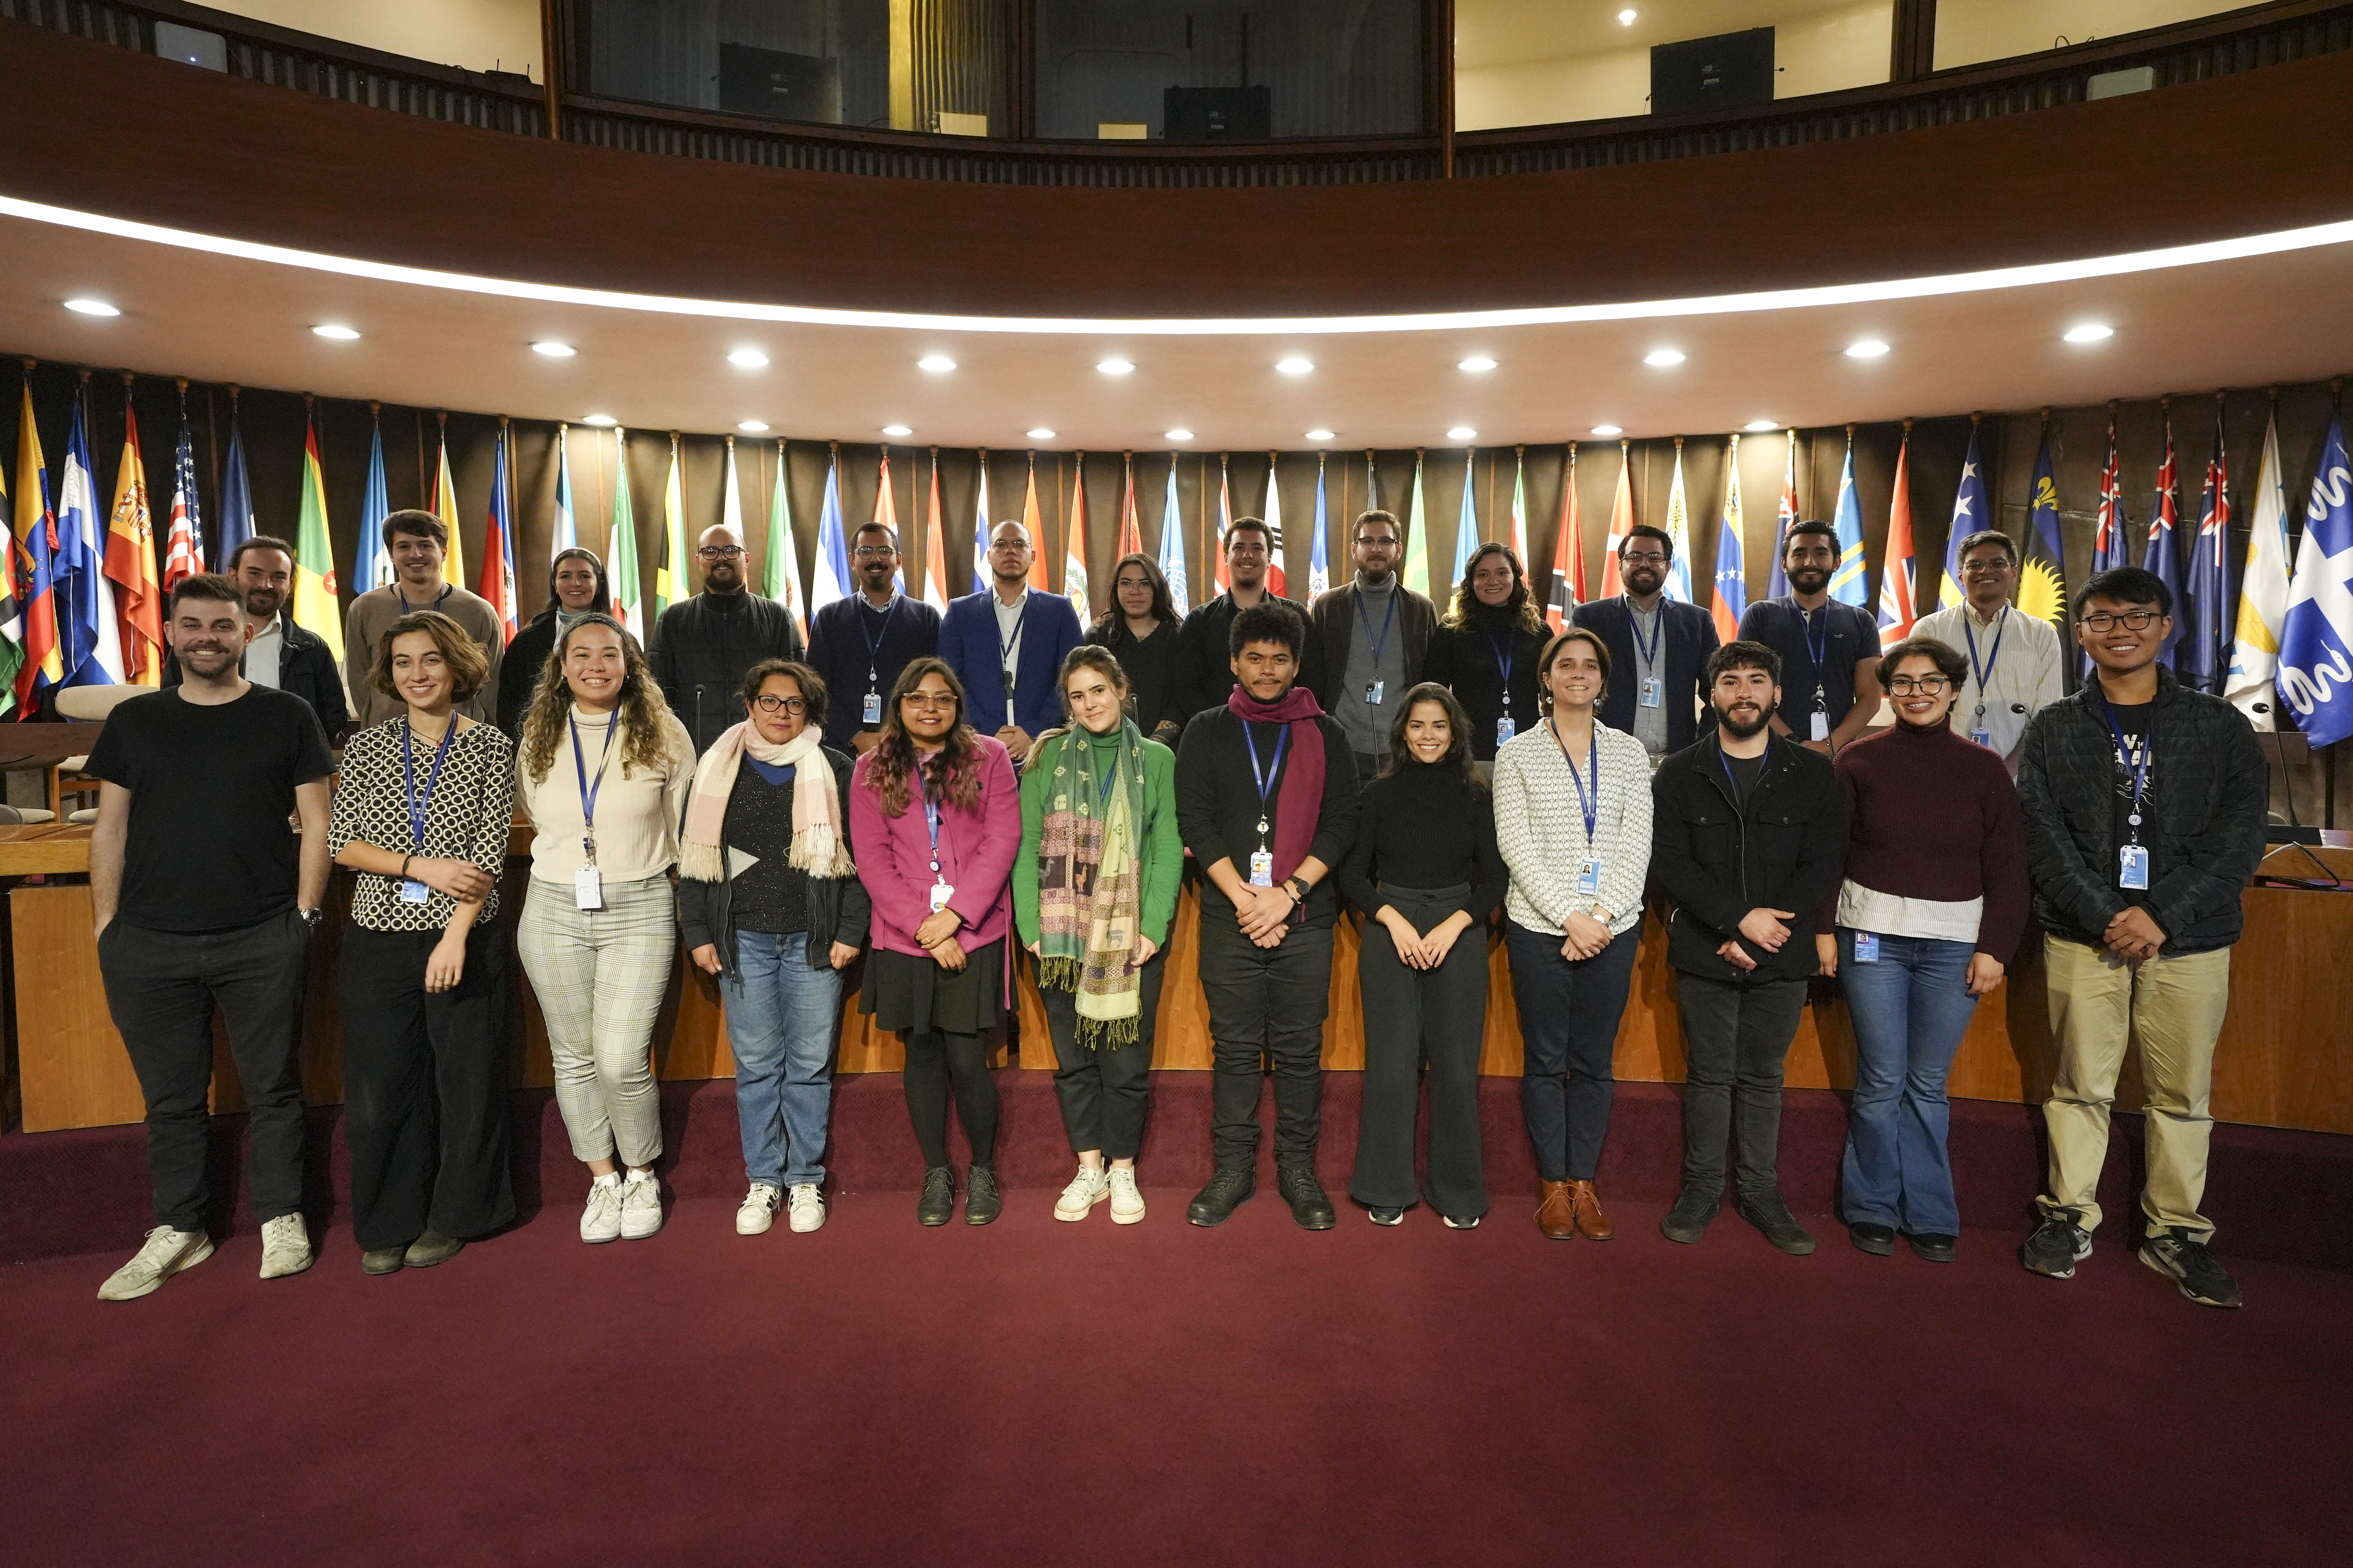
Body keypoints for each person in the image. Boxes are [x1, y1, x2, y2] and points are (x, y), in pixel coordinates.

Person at [2016, 567, 2265, 1308]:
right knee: (2079, 1087)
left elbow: (2241, 837)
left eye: (2136, 616)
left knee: (2183, 1093)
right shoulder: (2057, 725)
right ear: (2081, 631)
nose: (2119, 629)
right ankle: (2068, 1217)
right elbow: (2042, 834)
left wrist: (2162, 914)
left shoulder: (2219, 725)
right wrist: (2105, 914)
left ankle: (2176, 1232)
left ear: (2167, 626)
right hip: (2083, 936)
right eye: (2102, 618)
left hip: (2190, 940)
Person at [86, 574, 333, 1301]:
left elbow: (318, 822)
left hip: (261, 935)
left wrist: (306, 915)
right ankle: (179, 1226)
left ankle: (282, 1216)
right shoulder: (135, 721)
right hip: (148, 943)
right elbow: (111, 828)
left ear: (244, 634)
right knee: (170, 1099)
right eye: (192, 625)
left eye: (221, 627)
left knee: (274, 1088)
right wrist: (106, 926)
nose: (206, 638)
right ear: (170, 632)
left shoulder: (287, 716)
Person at [1814, 637, 2029, 1263]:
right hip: (1871, 936)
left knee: (1927, 1084)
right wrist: (1823, 929)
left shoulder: (1984, 769)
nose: (1917, 694)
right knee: (1880, 1080)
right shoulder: (1856, 761)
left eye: (1930, 682)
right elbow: (1830, 854)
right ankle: (1872, 1207)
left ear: (1954, 690)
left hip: (1953, 945)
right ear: (1886, 691)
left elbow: (2008, 870)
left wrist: (1995, 949)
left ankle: (1931, 1212)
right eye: (1903, 683)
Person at [328, 610, 517, 1275]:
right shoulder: (367, 747)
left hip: (462, 938)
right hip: (377, 937)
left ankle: (459, 1214)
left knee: (466, 1084)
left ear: (456, 665)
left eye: (430, 660)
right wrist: (421, 867)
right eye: (403, 662)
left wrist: (454, 936)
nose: (417, 674)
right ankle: (387, 1220)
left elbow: (489, 853)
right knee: (380, 1089)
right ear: (388, 673)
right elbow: (340, 843)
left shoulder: (491, 745)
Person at [1648, 641, 1844, 1255]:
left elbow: (1821, 864)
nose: (1743, 692)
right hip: (1705, 947)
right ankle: (1701, 1190)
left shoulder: (1812, 772)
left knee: (1762, 1076)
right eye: (1729, 682)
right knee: (1707, 1074)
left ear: (1776, 695)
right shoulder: (1680, 771)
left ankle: (1760, 1192)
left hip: (1781, 953)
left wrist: (1765, 934)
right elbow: (1670, 863)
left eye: (1756, 681)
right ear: (1710, 696)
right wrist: (1734, 924)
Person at [514, 614, 699, 1244]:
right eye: (581, 655)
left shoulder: (663, 730)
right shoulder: (539, 729)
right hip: (552, 907)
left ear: (629, 664)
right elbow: (536, 811)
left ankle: (642, 1172)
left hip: (639, 904)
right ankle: (604, 1179)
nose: (595, 665)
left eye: (609, 655)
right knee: (574, 1058)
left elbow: (681, 817)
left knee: (620, 1059)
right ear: (561, 666)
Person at [1174, 602, 1360, 1230]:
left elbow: (1340, 824)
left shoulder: (1327, 733)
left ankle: (1297, 1170)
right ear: (1233, 663)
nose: (1267, 669)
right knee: (1233, 1049)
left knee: (1299, 1051)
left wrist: (1288, 893)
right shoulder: (1205, 729)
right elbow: (1195, 822)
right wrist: (1248, 898)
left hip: (1304, 916)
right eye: (1254, 658)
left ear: (1296, 665)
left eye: (1279, 659)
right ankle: (1232, 1169)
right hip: (1232, 915)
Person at [679, 659, 869, 1238]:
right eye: (769, 701)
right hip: (743, 940)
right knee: (758, 1068)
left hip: (814, 941)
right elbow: (695, 859)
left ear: (808, 711)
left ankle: (805, 1177)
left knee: (808, 1067)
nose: (780, 713)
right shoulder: (717, 767)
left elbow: (859, 863)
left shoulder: (835, 768)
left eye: (793, 703)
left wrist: (849, 932)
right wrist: (698, 933)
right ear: (749, 704)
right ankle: (764, 1179)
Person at [1493, 628, 1654, 1239]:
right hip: (1539, 926)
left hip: (1612, 928)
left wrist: (1602, 917)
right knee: (1543, 1060)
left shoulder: (1629, 753)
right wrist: (1569, 916)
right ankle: (1550, 1185)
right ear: (1546, 677)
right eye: (1566, 665)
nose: (1577, 674)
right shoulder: (1516, 754)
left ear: (1603, 681)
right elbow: (1515, 844)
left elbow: (1636, 843)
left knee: (1592, 1061)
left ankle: (1582, 1182)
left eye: (1589, 666)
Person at [1013, 646, 1183, 1224]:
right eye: (1077, 696)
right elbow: (1026, 842)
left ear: (1120, 689)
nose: (1089, 704)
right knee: (1074, 1061)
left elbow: (1164, 847)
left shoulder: (1157, 759)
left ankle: (1122, 1170)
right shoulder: (1048, 756)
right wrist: (1032, 928)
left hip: (1130, 933)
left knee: (1126, 1064)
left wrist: (1153, 927)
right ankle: (1088, 1169)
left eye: (1099, 691)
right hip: (1061, 937)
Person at [850, 658, 1022, 1226]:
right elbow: (872, 858)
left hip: (973, 932)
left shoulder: (990, 758)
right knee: (921, 1053)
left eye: (942, 699)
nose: (930, 708)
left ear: (957, 706)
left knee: (968, 1059)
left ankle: (981, 1170)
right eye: (918, 699)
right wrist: (924, 928)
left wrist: (955, 918)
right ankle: (935, 1171)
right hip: (903, 938)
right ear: (898, 705)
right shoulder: (871, 768)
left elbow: (1003, 839)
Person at [1337, 683, 1505, 1228]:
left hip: (1458, 929)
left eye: (1438, 726)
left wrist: (1457, 924)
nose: (1427, 736)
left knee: (1455, 1068)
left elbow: (1494, 880)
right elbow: (1351, 876)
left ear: (1453, 733)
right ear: (1400, 734)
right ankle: (1385, 1185)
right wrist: (1392, 919)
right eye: (1417, 726)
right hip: (1392, 929)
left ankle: (1456, 1190)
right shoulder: (1377, 795)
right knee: (1390, 1067)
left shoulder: (1478, 796)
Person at [1911, 529, 2066, 775]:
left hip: (2015, 778)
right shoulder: (1930, 630)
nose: (1986, 571)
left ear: (2013, 572)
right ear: (1961, 575)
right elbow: (1916, 702)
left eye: (1998, 563)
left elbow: (2046, 718)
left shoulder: (2041, 635)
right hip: (1939, 770)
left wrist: (2005, 772)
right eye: (1975, 565)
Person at [164, 535, 349, 738]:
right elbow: (172, 706)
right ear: (232, 576)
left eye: (278, 577)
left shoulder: (311, 647)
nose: (265, 585)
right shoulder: (198, 645)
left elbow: (333, 717)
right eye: (254, 573)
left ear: (291, 584)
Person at [648, 520, 808, 754]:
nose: (721, 558)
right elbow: (657, 693)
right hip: (693, 751)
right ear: (698, 560)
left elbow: (800, 690)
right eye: (710, 551)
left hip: (764, 752)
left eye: (731, 550)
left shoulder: (777, 618)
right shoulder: (673, 620)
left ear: (747, 559)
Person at [938, 520, 1083, 766]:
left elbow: (1072, 678)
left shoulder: (1059, 610)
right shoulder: (961, 612)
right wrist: (990, 732)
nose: (1010, 550)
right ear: (989, 555)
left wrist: (1033, 731)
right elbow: (949, 681)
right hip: (977, 746)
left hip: (1045, 746)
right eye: (1001, 544)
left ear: (1032, 555)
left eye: (1019, 544)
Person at [346, 508, 507, 727]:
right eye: (404, 546)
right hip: (387, 741)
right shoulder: (364, 609)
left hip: (462, 742)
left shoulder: (479, 611)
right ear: (391, 555)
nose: (415, 554)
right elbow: (361, 681)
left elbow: (493, 685)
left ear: (444, 552)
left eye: (425, 545)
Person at [1572, 524, 1720, 764]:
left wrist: (1703, 743)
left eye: (1655, 557)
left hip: (1678, 761)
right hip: (1606, 760)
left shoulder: (1696, 621)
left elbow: (1716, 689)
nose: (1645, 564)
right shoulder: (1590, 618)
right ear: (1620, 565)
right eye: (1634, 557)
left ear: (1668, 566)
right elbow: (1575, 685)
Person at [1310, 510, 1438, 786]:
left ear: (1399, 549)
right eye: (1368, 541)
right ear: (1355, 549)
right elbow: (1313, 676)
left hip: (1403, 748)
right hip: (1341, 746)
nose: (1376, 549)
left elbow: (1431, 680)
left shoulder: (1421, 609)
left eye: (1385, 541)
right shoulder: (1328, 606)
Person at [1736, 519, 1881, 755]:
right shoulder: (1760, 615)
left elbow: (1871, 697)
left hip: (1839, 754)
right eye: (1799, 554)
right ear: (1784, 564)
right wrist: (1791, 742)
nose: (1809, 562)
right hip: (1771, 750)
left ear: (1836, 563)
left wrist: (1829, 746)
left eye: (1820, 553)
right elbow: (1748, 690)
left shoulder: (1861, 621)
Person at [804, 520, 942, 755]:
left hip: (910, 746)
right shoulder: (829, 618)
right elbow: (816, 689)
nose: (875, 559)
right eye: (865, 551)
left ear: (899, 561)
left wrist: (896, 734)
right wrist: (855, 736)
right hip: (841, 750)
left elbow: (936, 686)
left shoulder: (926, 617)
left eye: (884, 551)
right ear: (851, 560)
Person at [1176, 516, 1322, 718]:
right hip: (1217, 733)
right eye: (1239, 548)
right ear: (1226, 557)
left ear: (1269, 558)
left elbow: (1313, 681)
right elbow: (1185, 688)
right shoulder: (1200, 620)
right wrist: (1217, 724)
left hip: (1283, 732)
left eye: (1256, 548)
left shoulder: (1297, 616)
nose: (1247, 555)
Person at [1425, 542, 1548, 772]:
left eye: (1502, 572)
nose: (1493, 581)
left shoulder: (1539, 632)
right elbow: (1433, 698)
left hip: (1529, 756)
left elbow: (1553, 694)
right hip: (1468, 756)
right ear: (1471, 583)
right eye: (1483, 574)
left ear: (1515, 577)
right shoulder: (1450, 633)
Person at [498, 546, 609, 739]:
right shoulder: (527, 641)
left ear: (598, 584)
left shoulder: (621, 639)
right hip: (541, 743)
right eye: (565, 576)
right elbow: (509, 705)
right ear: (555, 585)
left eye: (584, 576)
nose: (575, 583)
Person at [1084, 552, 1188, 746]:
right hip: (1106, 745)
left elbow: (1182, 702)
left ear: (1157, 588)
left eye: (1144, 583)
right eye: (1126, 583)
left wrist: (1152, 747)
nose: (1135, 591)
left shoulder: (1178, 637)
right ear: (1115, 589)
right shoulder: (1098, 637)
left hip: (1166, 750)